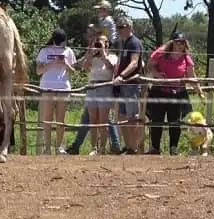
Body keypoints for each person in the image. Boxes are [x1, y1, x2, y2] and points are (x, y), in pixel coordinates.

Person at [145, 32, 203, 155]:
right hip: (159, 92)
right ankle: (155, 147)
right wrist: (157, 74)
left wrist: (200, 92)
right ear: (172, 42)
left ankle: (173, 148)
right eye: (177, 42)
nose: (180, 45)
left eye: (182, 42)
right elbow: (149, 66)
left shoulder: (186, 57)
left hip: (177, 93)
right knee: (156, 120)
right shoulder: (161, 52)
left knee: (175, 121)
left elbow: (192, 76)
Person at [36, 29, 76, 155]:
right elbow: (38, 71)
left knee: (60, 119)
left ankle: (59, 147)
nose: (61, 45)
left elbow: (73, 71)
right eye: (59, 42)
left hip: (63, 87)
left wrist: (66, 63)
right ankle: (47, 147)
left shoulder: (68, 51)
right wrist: (52, 63)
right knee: (47, 118)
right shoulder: (44, 51)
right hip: (47, 87)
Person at [111, 17, 144, 155]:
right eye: (118, 27)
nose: (120, 30)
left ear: (130, 27)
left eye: (122, 27)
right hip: (123, 86)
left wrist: (121, 76)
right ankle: (128, 146)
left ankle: (134, 148)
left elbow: (134, 63)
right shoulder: (124, 43)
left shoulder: (134, 43)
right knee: (122, 116)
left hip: (131, 85)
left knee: (132, 117)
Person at [81, 35, 118, 155]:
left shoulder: (112, 56)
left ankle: (102, 147)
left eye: (102, 42)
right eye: (98, 42)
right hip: (92, 87)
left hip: (105, 87)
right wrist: (91, 52)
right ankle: (93, 148)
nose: (99, 44)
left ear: (107, 44)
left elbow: (110, 67)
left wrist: (103, 53)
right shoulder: (93, 57)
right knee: (93, 120)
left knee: (103, 120)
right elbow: (85, 67)